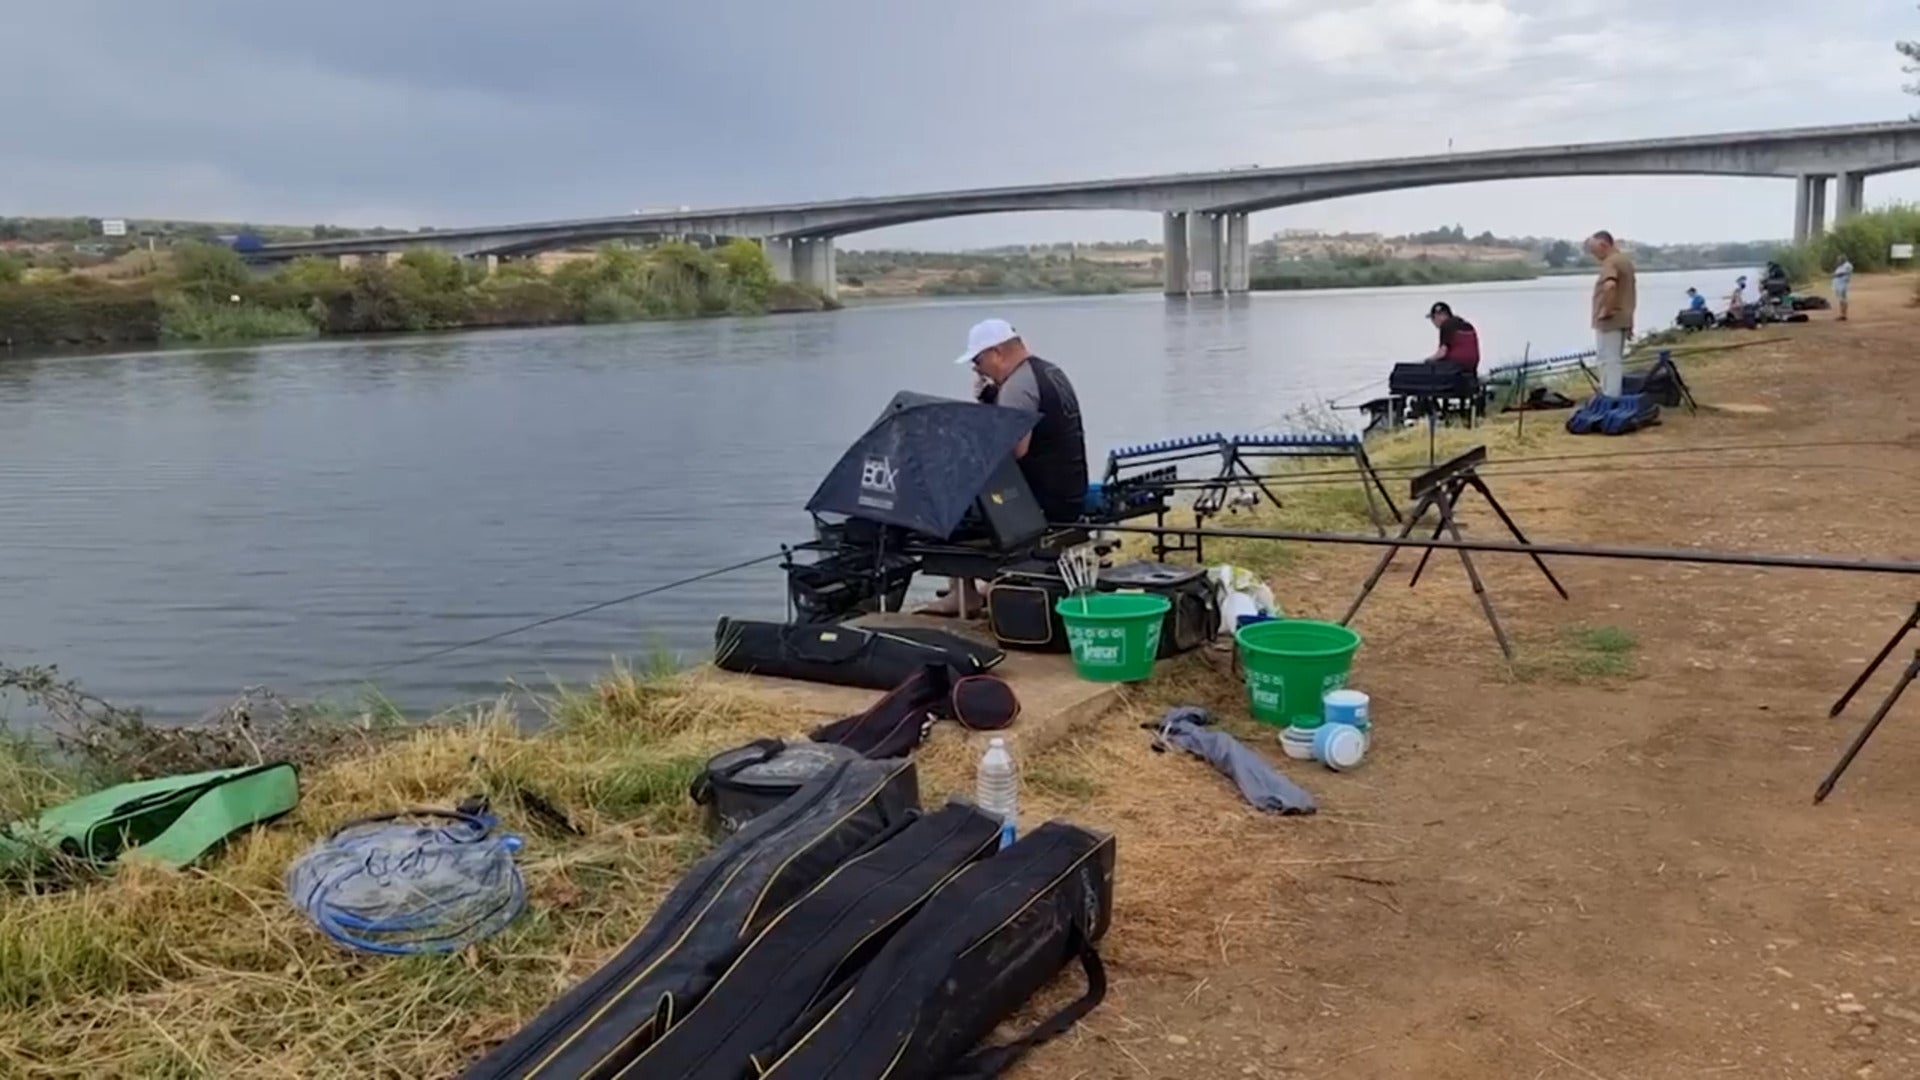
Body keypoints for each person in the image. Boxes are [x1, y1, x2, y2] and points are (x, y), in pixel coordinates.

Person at [919, 318, 1088, 617]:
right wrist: (989, 400)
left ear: (996, 352)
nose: (976, 368)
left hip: (1044, 501)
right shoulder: (1048, 371)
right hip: (1070, 488)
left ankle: (964, 592)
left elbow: (1012, 452)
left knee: (944, 500)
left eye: (978, 360)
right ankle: (973, 587)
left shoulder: (1017, 387)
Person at [1585, 230, 1636, 396]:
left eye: (1594, 251)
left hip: (1610, 321)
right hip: (1623, 318)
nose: (1595, 256)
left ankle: (1610, 396)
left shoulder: (1610, 262)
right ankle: (1612, 393)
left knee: (1607, 361)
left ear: (1603, 245)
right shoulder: (1625, 261)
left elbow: (1610, 286)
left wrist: (1605, 311)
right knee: (1615, 359)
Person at [1423, 301, 1481, 374]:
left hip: (1455, 366)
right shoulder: (1467, 324)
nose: (1433, 322)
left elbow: (1442, 353)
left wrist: (1427, 360)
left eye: (1433, 318)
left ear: (1440, 315)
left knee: (1430, 368)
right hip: (1471, 366)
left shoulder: (1446, 325)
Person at [1832, 254, 1853, 321]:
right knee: (1841, 299)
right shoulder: (1841, 266)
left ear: (1843, 259)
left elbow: (1843, 273)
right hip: (1838, 284)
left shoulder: (1847, 265)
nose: (1838, 261)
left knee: (1843, 299)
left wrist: (1835, 275)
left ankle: (1844, 314)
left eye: (1839, 259)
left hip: (1842, 284)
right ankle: (1842, 314)